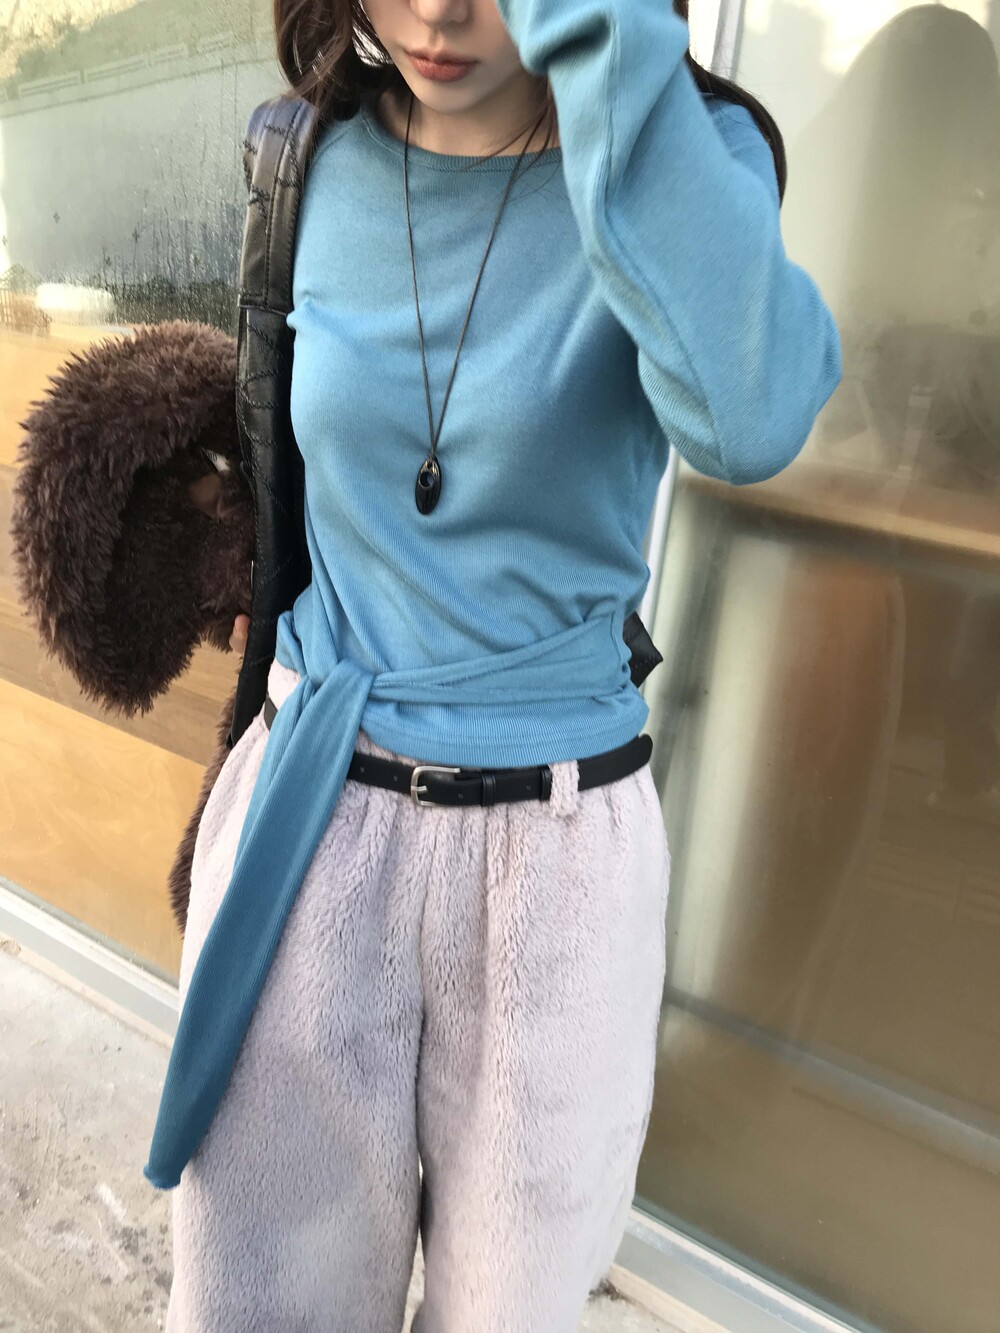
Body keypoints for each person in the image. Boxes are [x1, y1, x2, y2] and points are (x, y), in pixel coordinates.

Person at [150, 0, 841, 1329]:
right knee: (259, 1297)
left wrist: (605, 51)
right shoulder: (309, 160)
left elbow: (752, 419)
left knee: (512, 1306)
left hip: (554, 853)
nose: (441, 12)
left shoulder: (679, 154)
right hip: (316, 813)